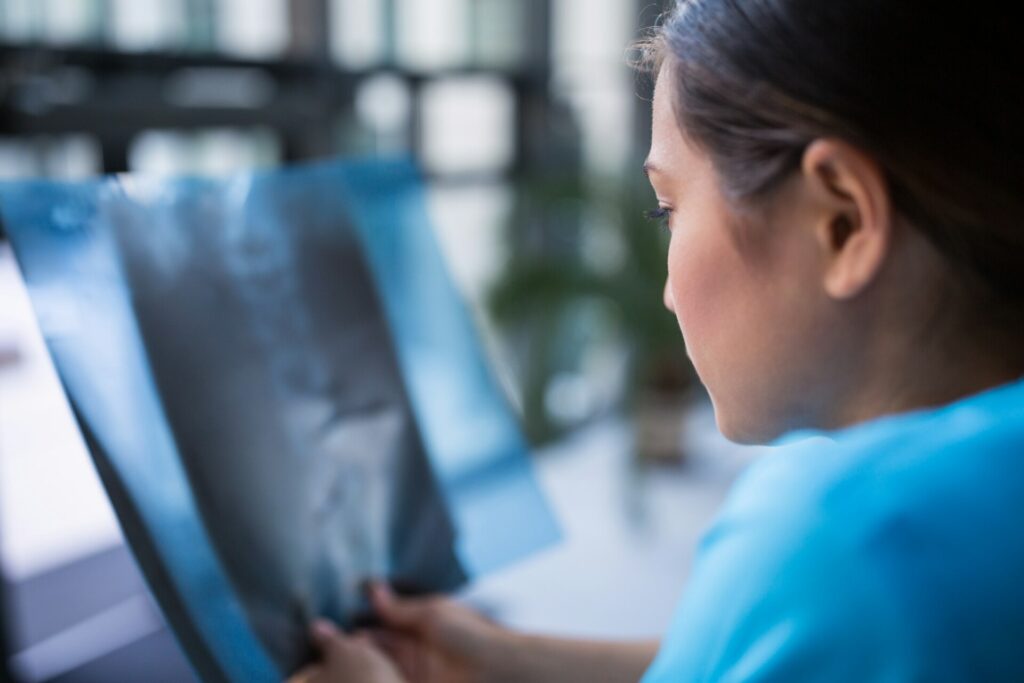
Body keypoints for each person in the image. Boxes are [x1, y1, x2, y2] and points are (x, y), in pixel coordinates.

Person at [288, 0, 1024, 680]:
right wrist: (509, 659)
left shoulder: (848, 535)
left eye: (667, 208)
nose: (667, 292)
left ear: (841, 220)